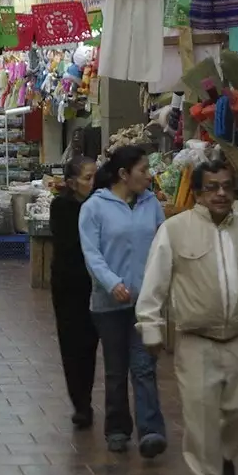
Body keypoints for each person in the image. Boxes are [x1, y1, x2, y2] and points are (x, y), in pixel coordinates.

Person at [137, 152, 238, 475]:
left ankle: (225, 452)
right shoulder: (175, 230)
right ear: (198, 193)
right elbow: (154, 282)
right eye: (212, 188)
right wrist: (150, 327)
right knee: (199, 412)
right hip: (196, 337)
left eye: (227, 187)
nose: (220, 194)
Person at [78, 144, 167, 456]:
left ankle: (151, 430)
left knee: (144, 367)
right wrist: (112, 283)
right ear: (123, 174)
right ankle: (117, 429)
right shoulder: (94, 207)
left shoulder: (151, 203)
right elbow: (92, 253)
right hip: (109, 303)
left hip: (145, 302)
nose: (148, 175)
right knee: (116, 369)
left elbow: (161, 246)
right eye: (142, 170)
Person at [50, 156, 99, 429]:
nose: (93, 182)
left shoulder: (101, 204)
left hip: (98, 284)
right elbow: (71, 246)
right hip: (70, 285)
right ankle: (80, 403)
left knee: (90, 345)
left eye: (95, 176)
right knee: (72, 345)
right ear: (71, 183)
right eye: (87, 178)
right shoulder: (62, 207)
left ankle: (86, 397)